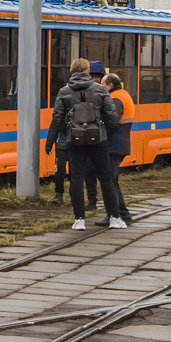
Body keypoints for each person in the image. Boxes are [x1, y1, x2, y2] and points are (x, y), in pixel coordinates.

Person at [46, 57, 124, 230]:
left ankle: (79, 220)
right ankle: (114, 217)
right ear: (88, 71)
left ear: (71, 72)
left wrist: (52, 140)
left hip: (74, 142)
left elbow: (57, 119)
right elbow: (112, 117)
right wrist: (102, 131)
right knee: (105, 178)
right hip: (99, 141)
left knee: (76, 179)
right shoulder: (100, 90)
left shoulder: (64, 91)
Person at [97, 73, 135, 226]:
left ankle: (114, 214)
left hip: (113, 145)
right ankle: (122, 213)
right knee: (112, 180)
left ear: (110, 86)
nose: (100, 87)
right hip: (120, 144)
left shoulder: (115, 99)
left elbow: (111, 122)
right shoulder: (123, 94)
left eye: (102, 84)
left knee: (109, 180)